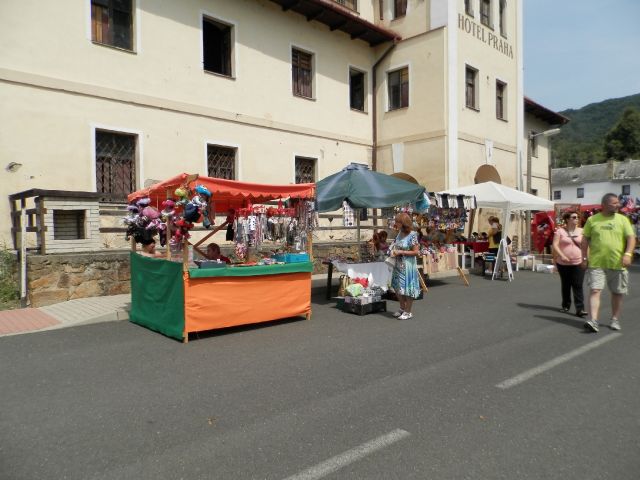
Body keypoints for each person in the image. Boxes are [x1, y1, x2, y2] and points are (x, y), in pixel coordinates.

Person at [581, 193, 636, 332]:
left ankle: (614, 319)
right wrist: (584, 258)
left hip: (617, 262)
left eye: (618, 202)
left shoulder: (623, 220)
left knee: (617, 292)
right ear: (604, 205)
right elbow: (585, 239)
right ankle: (593, 321)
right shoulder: (592, 220)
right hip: (596, 263)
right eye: (614, 203)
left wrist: (628, 254)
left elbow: (631, 238)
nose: (618, 205)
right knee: (595, 290)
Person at [552, 211, 587, 317]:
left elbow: (586, 246)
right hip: (563, 263)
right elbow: (555, 245)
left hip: (578, 262)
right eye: (574, 217)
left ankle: (580, 309)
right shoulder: (560, 231)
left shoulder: (582, 231)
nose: (577, 219)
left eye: (578, 217)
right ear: (567, 219)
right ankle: (566, 305)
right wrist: (561, 255)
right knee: (566, 284)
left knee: (578, 285)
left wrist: (585, 259)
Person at [390, 213, 421, 320]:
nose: (395, 224)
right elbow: (396, 245)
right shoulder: (399, 233)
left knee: (408, 288)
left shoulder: (413, 235)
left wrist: (401, 251)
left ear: (403, 223)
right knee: (397, 286)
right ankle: (402, 307)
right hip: (398, 264)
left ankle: (408, 311)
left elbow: (416, 252)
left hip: (408, 265)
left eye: (397, 222)